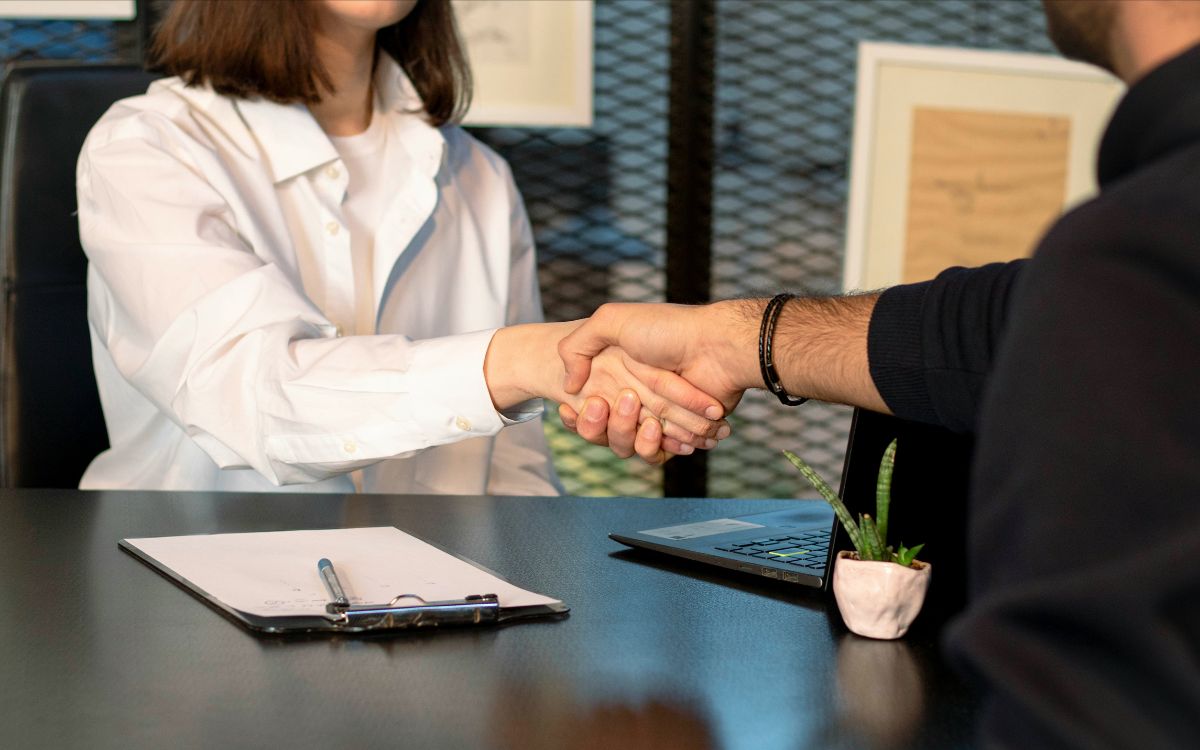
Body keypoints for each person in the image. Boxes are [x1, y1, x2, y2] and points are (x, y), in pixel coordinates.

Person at [557, 0, 1200, 744]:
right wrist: (730, 339)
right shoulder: (1142, 246)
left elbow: (1085, 704)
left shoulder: (1147, 243)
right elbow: (1002, 326)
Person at [76, 0, 726, 495]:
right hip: (191, 607)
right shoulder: (146, 148)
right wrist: (524, 359)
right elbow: (256, 401)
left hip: (438, 614)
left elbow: (516, 472)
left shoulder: (480, 177)